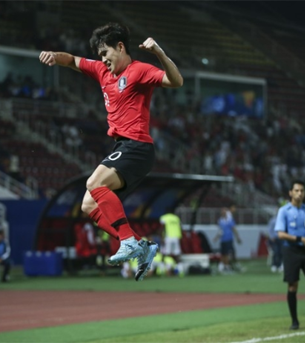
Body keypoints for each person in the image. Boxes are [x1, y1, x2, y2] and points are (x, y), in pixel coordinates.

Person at [39, 22, 183, 282]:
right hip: (124, 147)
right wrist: (54, 56)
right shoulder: (101, 71)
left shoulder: (139, 70)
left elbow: (176, 81)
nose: (102, 59)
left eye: (106, 53)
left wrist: (159, 53)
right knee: (87, 204)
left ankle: (127, 240)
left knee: (93, 183)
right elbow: (71, 60)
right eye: (99, 56)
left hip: (137, 146)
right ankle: (142, 246)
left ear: (120, 47)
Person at [275, 180, 305, 330]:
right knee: (293, 286)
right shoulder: (284, 211)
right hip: (291, 250)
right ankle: (294, 321)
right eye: (296, 190)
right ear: (290, 193)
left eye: (302, 191)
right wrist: (300, 239)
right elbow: (281, 234)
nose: (299, 193)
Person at [213, 208, 242, 273]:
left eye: (224, 212)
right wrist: (216, 237)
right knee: (224, 253)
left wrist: (238, 237)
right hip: (223, 239)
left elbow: (234, 229)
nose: (223, 213)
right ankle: (225, 266)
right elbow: (220, 231)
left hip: (229, 239)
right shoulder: (220, 221)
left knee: (228, 253)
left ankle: (227, 266)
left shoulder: (230, 220)